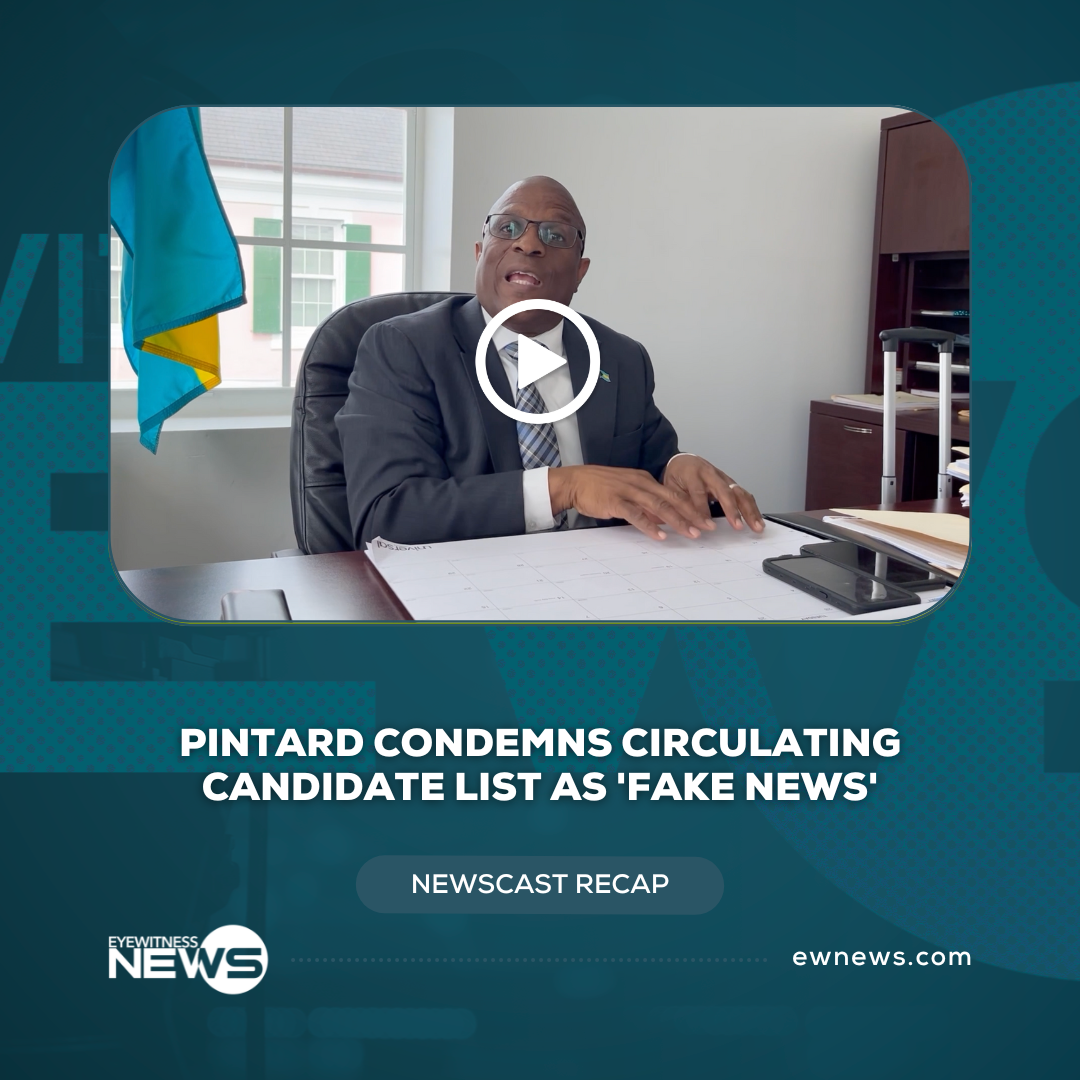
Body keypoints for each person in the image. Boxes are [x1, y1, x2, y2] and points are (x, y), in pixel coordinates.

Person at [336, 175, 764, 547]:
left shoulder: (621, 358)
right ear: (479, 251)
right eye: (507, 227)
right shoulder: (404, 348)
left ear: (580, 272)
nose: (528, 243)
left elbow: (652, 468)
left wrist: (678, 468)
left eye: (555, 235)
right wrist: (564, 487)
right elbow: (386, 516)